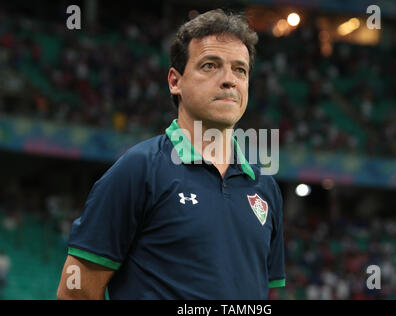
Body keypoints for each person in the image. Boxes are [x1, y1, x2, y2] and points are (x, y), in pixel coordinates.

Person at [57, 9, 285, 300]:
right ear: (175, 81)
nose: (229, 80)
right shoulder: (139, 169)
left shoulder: (265, 187)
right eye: (210, 66)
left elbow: (268, 295)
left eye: (240, 69)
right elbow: (75, 291)